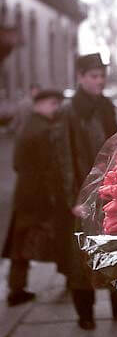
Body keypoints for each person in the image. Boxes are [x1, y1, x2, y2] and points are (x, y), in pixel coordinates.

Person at [56, 53, 117, 330]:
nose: (99, 81)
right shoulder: (69, 112)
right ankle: (84, 313)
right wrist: (73, 198)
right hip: (83, 195)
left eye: (102, 76)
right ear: (81, 77)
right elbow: (63, 157)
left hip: (111, 189)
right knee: (83, 255)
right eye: (93, 76)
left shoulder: (106, 106)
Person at [2, 89, 64, 306]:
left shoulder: (28, 125)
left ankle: (16, 288)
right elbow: (51, 166)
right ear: (41, 104)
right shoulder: (44, 130)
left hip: (25, 193)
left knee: (20, 243)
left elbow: (17, 164)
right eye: (53, 104)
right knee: (55, 237)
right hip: (39, 196)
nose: (56, 109)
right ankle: (69, 278)